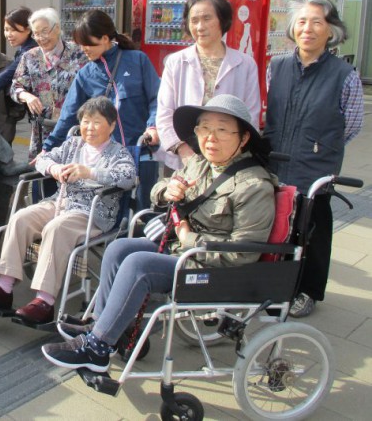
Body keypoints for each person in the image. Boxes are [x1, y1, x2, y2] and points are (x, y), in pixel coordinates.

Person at [42, 95, 277, 372]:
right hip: (185, 252)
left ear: (244, 138)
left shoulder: (254, 185)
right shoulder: (200, 164)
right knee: (120, 249)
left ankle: (97, 347)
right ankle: (104, 324)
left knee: (139, 264)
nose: (210, 138)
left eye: (222, 130)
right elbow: (158, 190)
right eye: (203, 128)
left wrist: (188, 237)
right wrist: (168, 191)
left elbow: (241, 253)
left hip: (215, 269)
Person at [0, 97, 136, 324]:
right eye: (86, 121)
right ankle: (3, 288)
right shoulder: (73, 144)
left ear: (112, 125)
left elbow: (128, 178)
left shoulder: (119, 153)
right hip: (60, 202)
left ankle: (44, 301)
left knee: (56, 228)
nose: (89, 128)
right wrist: (53, 168)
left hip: (91, 212)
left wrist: (91, 172)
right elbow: (42, 159)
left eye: (97, 122)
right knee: (20, 218)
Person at [263, 0, 363, 318]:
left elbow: (351, 124)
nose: (308, 28)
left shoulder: (343, 74)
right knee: (276, 227)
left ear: (330, 31)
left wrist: (320, 146)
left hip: (316, 167)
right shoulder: (276, 66)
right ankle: (274, 286)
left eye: (317, 22)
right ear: (293, 27)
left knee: (313, 230)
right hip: (277, 160)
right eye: (302, 21)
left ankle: (308, 291)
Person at [157, 0, 260, 170]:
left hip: (230, 161)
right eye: (194, 20)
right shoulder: (176, 62)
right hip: (183, 161)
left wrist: (232, 154)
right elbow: (165, 113)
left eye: (207, 19)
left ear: (223, 19)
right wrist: (183, 150)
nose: (199, 27)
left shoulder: (245, 64)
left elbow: (251, 115)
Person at [44, 9, 159, 151]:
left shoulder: (138, 60)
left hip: (141, 149)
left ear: (105, 38)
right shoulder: (85, 74)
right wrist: (47, 148)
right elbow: (68, 116)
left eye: (87, 43)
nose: (83, 49)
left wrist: (152, 126)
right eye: (80, 44)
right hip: (105, 156)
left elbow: (157, 98)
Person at [10, 8, 86, 159]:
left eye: (45, 31)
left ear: (57, 28)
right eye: (36, 33)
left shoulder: (78, 53)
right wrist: (26, 96)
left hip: (75, 128)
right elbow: (15, 87)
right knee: (43, 174)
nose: (40, 37)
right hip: (43, 129)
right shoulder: (30, 57)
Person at [0, 7, 38, 110]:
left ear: (28, 29)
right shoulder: (24, 48)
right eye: (6, 30)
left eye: (13, 30)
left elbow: (9, 73)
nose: (8, 34)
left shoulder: (30, 51)